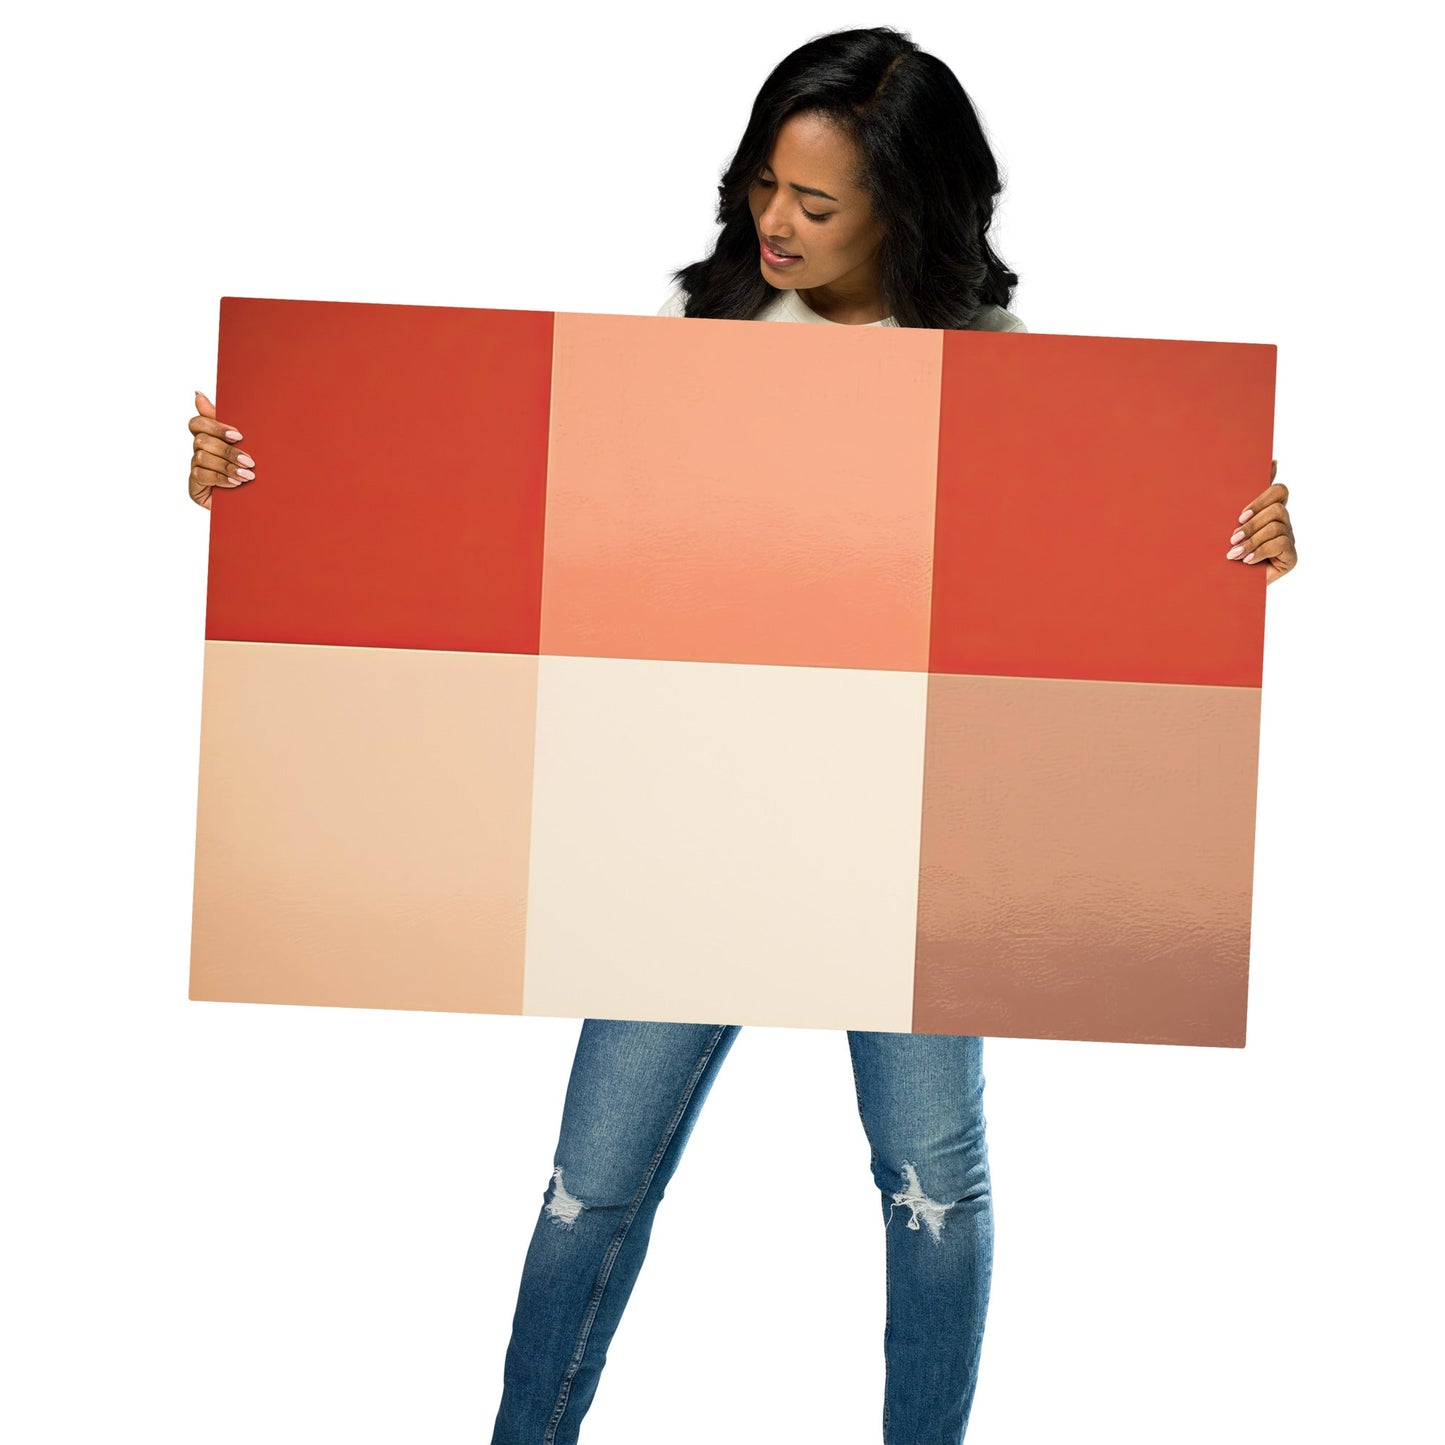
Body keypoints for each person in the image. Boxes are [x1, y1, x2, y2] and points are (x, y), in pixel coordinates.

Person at [185, 25, 1299, 1444]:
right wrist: (270, 478)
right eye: (765, 182)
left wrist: (1233, 547)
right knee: (589, 1186)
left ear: (907, 205)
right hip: (695, 834)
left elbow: (1083, 588)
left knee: (934, 1190)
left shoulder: (997, 369)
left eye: (816, 201)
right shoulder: (697, 330)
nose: (775, 219)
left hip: (906, 844)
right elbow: (514, 518)